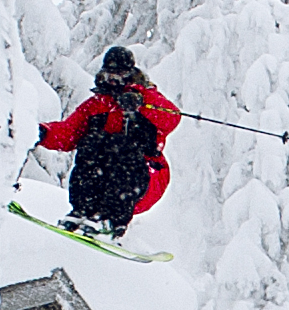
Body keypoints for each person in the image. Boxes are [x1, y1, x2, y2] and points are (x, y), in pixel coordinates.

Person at [40, 47, 185, 238]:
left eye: (120, 75)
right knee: (91, 144)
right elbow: (68, 133)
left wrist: (140, 100)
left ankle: (112, 220)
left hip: (144, 176)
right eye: (110, 75)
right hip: (103, 177)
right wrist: (43, 133)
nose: (114, 81)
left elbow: (171, 117)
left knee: (121, 146)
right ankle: (83, 211)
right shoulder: (97, 105)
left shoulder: (146, 98)